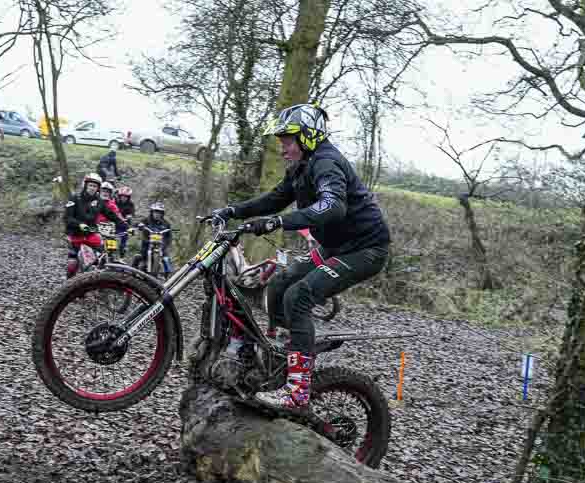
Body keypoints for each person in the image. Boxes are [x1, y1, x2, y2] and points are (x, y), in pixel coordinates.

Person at [210, 103, 391, 411]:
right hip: (334, 247)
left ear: (308, 136)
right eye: (280, 140)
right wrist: (233, 211)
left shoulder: (327, 163)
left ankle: (298, 391)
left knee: (299, 296)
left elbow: (333, 207)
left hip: (366, 250)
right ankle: (285, 360)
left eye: (287, 139)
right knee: (279, 286)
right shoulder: (301, 166)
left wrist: (279, 222)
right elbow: (275, 199)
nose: (282, 147)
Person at [64, 173, 126, 279]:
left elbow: (110, 214)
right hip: (75, 235)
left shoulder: (99, 201)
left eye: (95, 186)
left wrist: (125, 225)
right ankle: (68, 285)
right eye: (90, 185)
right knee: (72, 264)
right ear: (85, 185)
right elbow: (67, 218)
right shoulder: (74, 198)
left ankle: (101, 279)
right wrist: (79, 224)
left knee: (104, 254)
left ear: (98, 188)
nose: (92, 188)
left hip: (91, 235)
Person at [132, 201, 173, 278]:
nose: (157, 214)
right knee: (137, 257)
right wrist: (139, 225)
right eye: (155, 212)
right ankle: (131, 275)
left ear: (162, 214)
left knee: (167, 259)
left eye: (159, 212)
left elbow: (169, 236)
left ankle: (167, 277)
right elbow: (136, 224)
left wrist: (166, 244)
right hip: (146, 244)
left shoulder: (166, 223)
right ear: (152, 212)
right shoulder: (146, 220)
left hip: (160, 246)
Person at [115, 186, 135, 258]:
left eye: (126, 197)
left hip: (124, 225)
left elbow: (132, 213)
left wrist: (129, 216)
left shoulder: (130, 204)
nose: (124, 198)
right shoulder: (115, 201)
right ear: (119, 196)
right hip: (115, 223)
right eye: (122, 196)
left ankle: (122, 256)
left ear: (128, 197)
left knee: (123, 245)